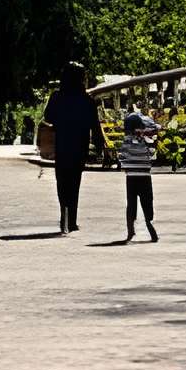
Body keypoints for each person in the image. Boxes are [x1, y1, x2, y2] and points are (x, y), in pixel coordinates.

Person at [43, 63, 107, 235]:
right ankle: (72, 220)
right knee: (74, 183)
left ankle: (64, 213)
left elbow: (47, 116)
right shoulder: (87, 100)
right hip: (79, 146)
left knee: (62, 181)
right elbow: (95, 125)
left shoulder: (56, 97)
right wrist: (101, 146)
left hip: (62, 145)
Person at [117, 109, 160, 241]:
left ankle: (131, 230)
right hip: (145, 176)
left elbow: (122, 157)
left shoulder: (126, 141)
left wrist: (126, 166)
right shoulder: (147, 140)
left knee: (131, 204)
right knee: (147, 202)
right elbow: (156, 129)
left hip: (131, 177)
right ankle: (149, 223)